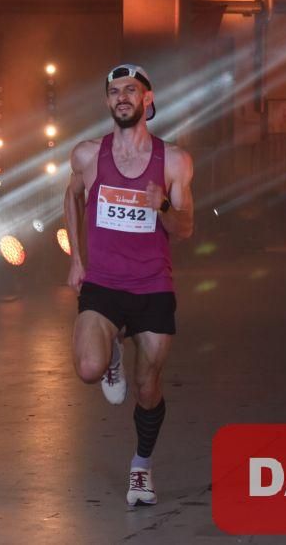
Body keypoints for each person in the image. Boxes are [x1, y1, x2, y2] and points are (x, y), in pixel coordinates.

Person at [63, 63, 194, 507]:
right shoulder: (87, 154)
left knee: (147, 388)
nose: (122, 97)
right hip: (103, 283)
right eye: (115, 91)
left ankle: (141, 466)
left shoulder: (173, 160)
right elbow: (72, 195)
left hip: (153, 287)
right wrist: (76, 258)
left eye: (131, 90)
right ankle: (111, 354)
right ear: (107, 101)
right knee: (88, 369)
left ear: (147, 98)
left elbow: (186, 228)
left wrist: (162, 207)